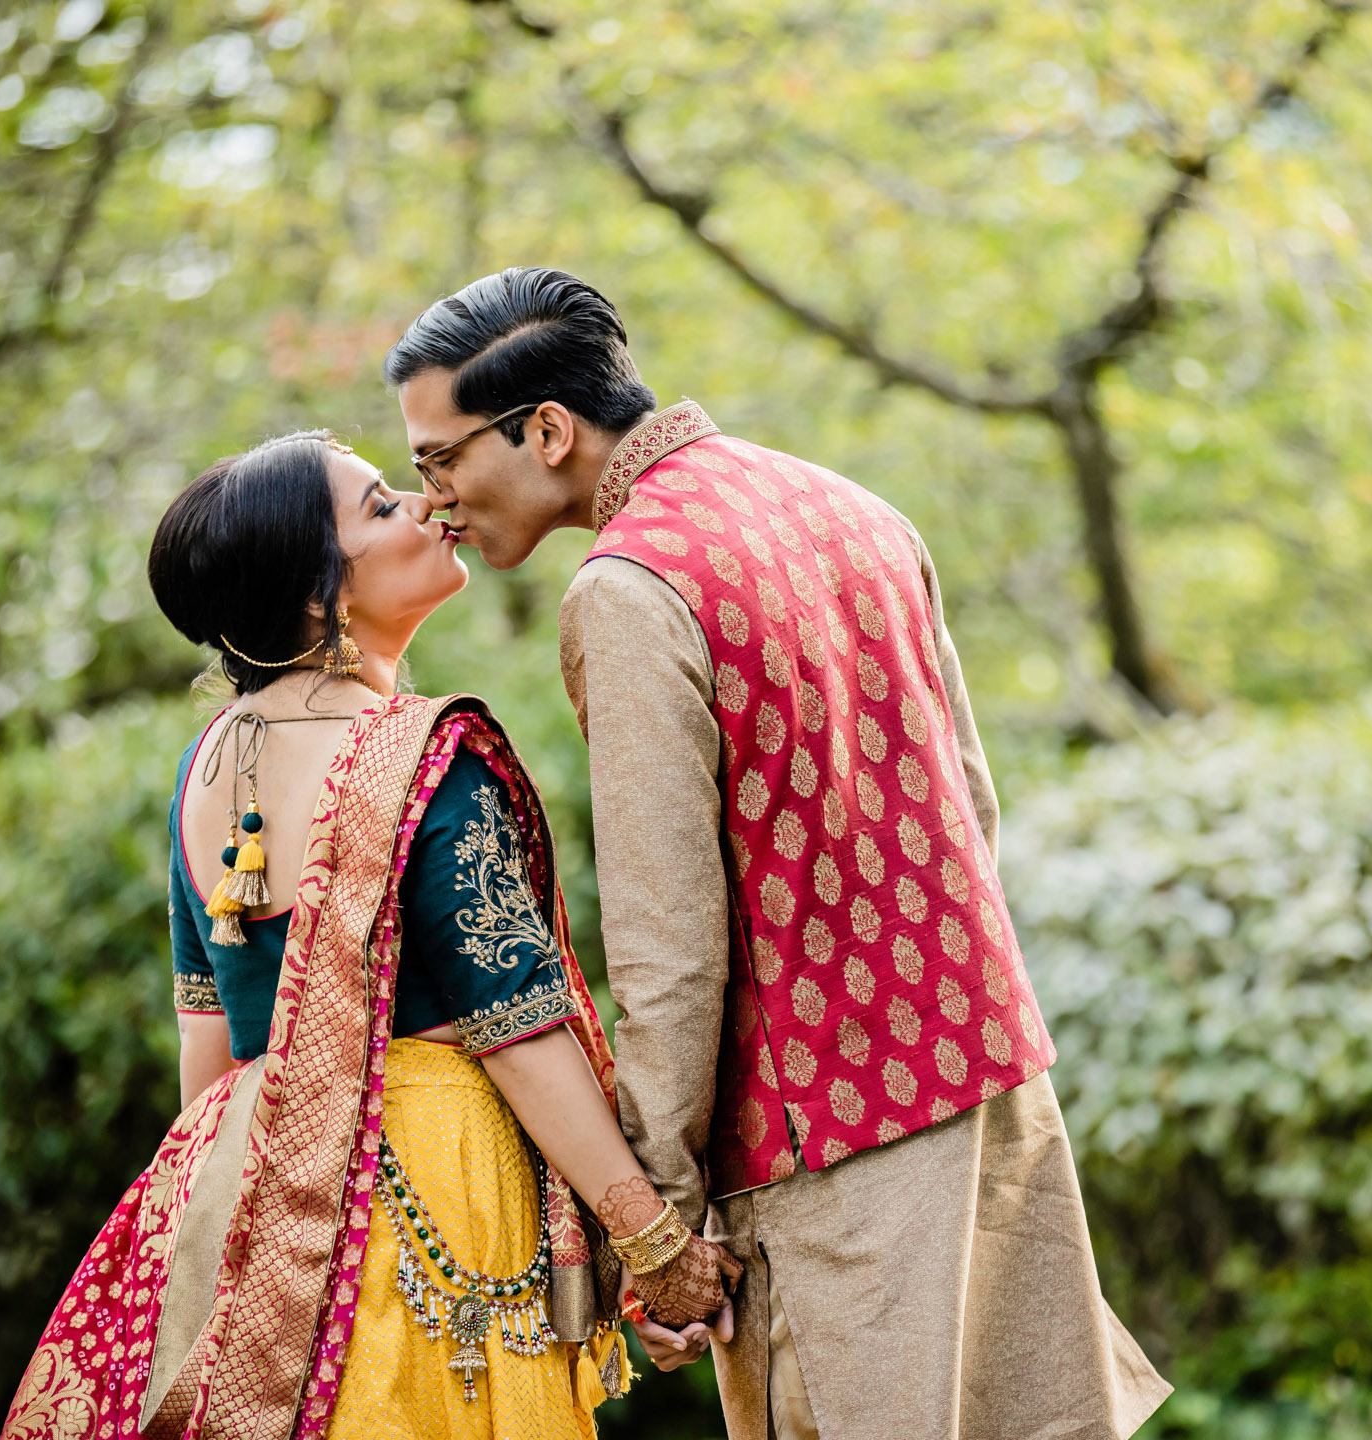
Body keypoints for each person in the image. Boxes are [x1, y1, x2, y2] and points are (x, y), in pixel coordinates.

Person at [387, 268, 1171, 1440]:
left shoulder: (630, 588)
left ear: (546, 431)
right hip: (994, 1104)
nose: (435, 499)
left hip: (830, 1170)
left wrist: (660, 1223)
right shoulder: (852, 507)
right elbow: (972, 805)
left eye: (440, 459)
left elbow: (670, 952)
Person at [0, 431, 738, 1440]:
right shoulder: (426, 759)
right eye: (384, 506)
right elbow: (517, 1030)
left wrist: (235, 1256)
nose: (427, 506)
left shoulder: (208, 769)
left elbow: (210, 1052)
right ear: (322, 596)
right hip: (436, 1186)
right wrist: (650, 1241)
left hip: (268, 1206)